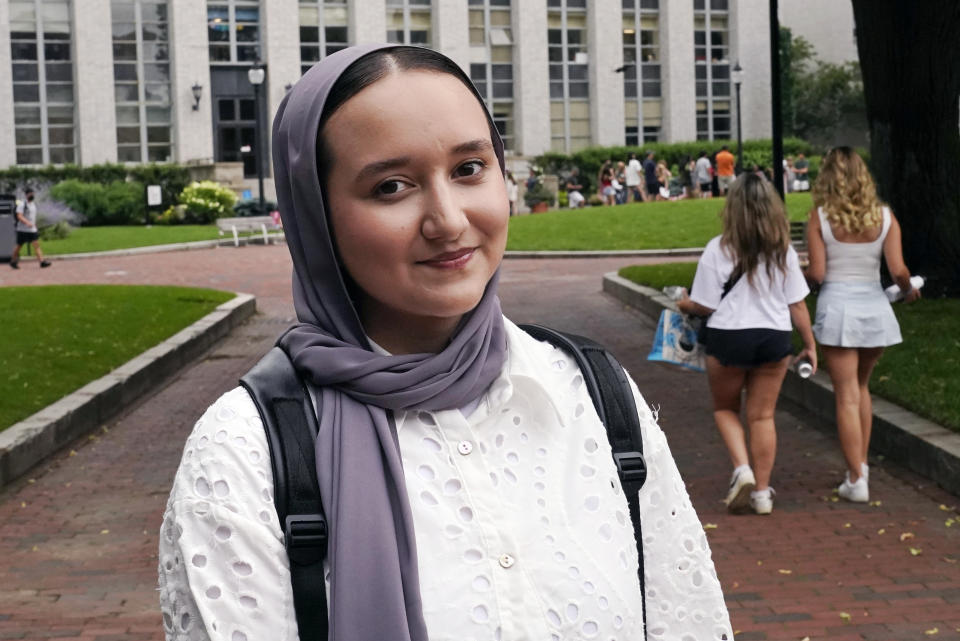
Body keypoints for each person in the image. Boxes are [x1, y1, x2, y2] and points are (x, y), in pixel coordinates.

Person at [157, 44, 732, 640]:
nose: (449, 220)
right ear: (316, 215)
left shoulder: (594, 393)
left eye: (468, 169)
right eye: (391, 187)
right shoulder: (245, 454)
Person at [676, 174, 816, 515]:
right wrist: (810, 345)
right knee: (763, 416)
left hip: (729, 336)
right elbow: (796, 303)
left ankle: (742, 469)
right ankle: (763, 494)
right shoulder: (782, 249)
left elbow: (705, 305)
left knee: (726, 408)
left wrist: (684, 303)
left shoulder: (717, 248)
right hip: (774, 336)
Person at [805, 147, 919, 503]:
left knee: (846, 396)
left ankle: (856, 478)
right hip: (874, 307)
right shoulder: (885, 217)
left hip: (838, 308)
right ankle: (861, 467)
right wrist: (909, 289)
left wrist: (801, 277)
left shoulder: (820, 218)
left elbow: (819, 274)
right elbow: (899, 270)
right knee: (863, 388)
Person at [10, 188, 51, 269]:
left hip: (32, 230)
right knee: (19, 246)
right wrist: (27, 223)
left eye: (33, 193)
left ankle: (42, 262)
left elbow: (32, 217)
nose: (32, 195)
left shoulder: (33, 204)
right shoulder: (22, 204)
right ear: (26, 195)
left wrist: (34, 224)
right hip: (22, 230)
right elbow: (19, 216)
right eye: (30, 194)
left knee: (36, 245)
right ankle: (13, 261)